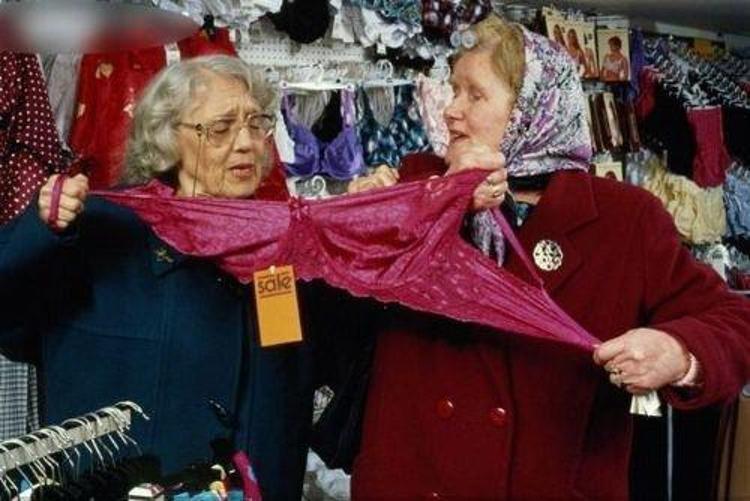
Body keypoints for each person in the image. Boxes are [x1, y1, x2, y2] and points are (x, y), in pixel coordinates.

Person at [349, 15, 750, 499]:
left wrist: (680, 353)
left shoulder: (624, 220)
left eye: (475, 95)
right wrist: (423, 207)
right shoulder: (414, 188)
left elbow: (734, 320)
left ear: (534, 108)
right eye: (453, 90)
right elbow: (338, 316)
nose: (451, 110)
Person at [0, 55, 317, 499]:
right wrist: (41, 231)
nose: (246, 143)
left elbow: (305, 372)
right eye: (221, 128)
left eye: (256, 124)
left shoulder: (280, 243)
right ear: (169, 137)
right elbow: (9, 320)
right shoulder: (104, 228)